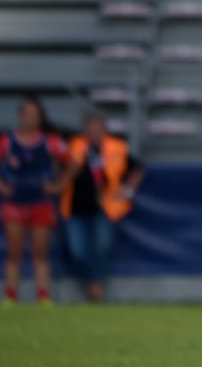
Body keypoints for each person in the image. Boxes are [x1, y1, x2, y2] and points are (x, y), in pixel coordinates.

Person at [0, 95, 68, 305]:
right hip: (14, 202)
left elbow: (72, 162)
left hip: (40, 201)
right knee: (14, 252)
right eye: (27, 114)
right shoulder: (7, 142)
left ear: (40, 118)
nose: (30, 118)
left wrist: (58, 184)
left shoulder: (50, 142)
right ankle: (10, 296)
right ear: (20, 116)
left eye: (35, 115)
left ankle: (43, 297)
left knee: (40, 253)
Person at [60, 108, 144, 303]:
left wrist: (127, 191)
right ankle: (93, 285)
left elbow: (137, 168)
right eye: (91, 128)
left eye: (98, 128)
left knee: (102, 248)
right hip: (75, 207)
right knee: (78, 251)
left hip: (106, 207)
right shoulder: (74, 146)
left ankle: (97, 288)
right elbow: (59, 168)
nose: (94, 132)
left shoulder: (116, 147)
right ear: (85, 129)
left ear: (104, 129)